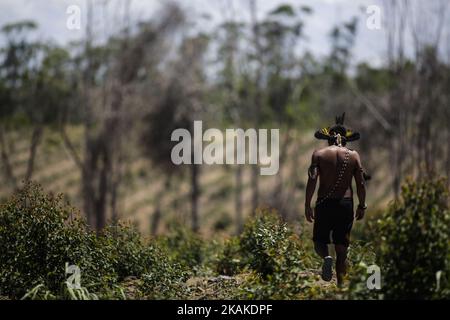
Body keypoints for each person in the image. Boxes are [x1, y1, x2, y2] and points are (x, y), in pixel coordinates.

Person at [304, 113, 367, 286]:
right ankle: (340, 288)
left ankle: (326, 257)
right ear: (345, 140)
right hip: (345, 205)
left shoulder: (318, 154)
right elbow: (361, 184)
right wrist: (362, 205)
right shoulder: (354, 156)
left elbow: (312, 181)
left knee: (319, 241)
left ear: (328, 139)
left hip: (324, 203)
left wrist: (307, 204)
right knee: (342, 249)